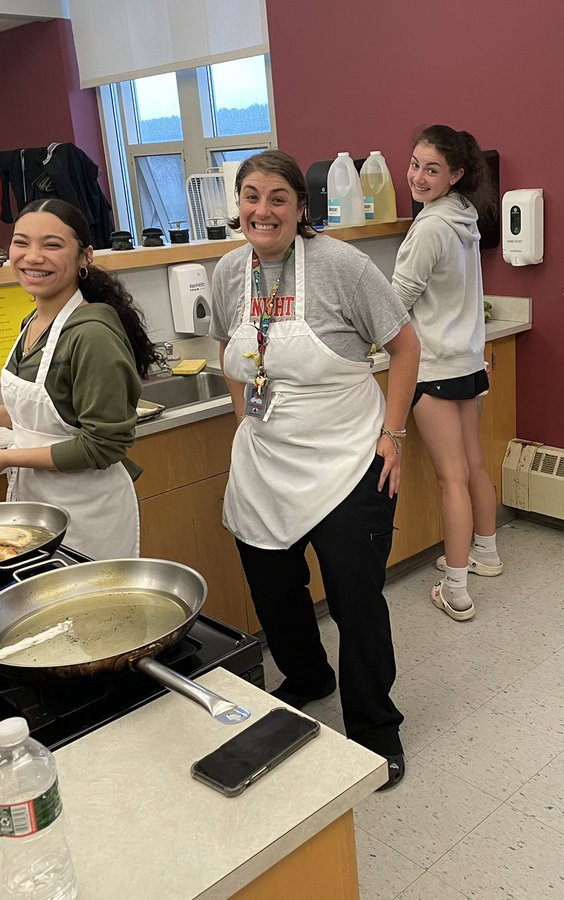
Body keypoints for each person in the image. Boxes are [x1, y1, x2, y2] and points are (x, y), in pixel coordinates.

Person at [210, 150, 420, 790]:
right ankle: (307, 676)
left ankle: (376, 729)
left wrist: (393, 434)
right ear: (238, 205)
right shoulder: (229, 271)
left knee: (356, 601)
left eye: (278, 198)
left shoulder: (341, 266)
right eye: (251, 196)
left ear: (301, 207)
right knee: (273, 587)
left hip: (348, 457)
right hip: (266, 458)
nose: (262, 210)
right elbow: (230, 350)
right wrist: (242, 413)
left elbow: (405, 345)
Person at [0, 198, 160, 560]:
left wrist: (5, 460)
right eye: (21, 242)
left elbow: (103, 446)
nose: (32, 256)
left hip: (87, 510)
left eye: (52, 245)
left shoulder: (92, 335)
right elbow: (50, 412)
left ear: (84, 256)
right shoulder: (33, 322)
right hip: (40, 505)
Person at [391, 125, 503, 623]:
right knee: (472, 465)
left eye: (431, 169)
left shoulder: (430, 227)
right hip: (468, 363)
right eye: (415, 164)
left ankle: (455, 588)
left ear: (455, 174)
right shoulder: (463, 216)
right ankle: (486, 553)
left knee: (451, 478)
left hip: (435, 365)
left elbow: (396, 301)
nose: (417, 176)